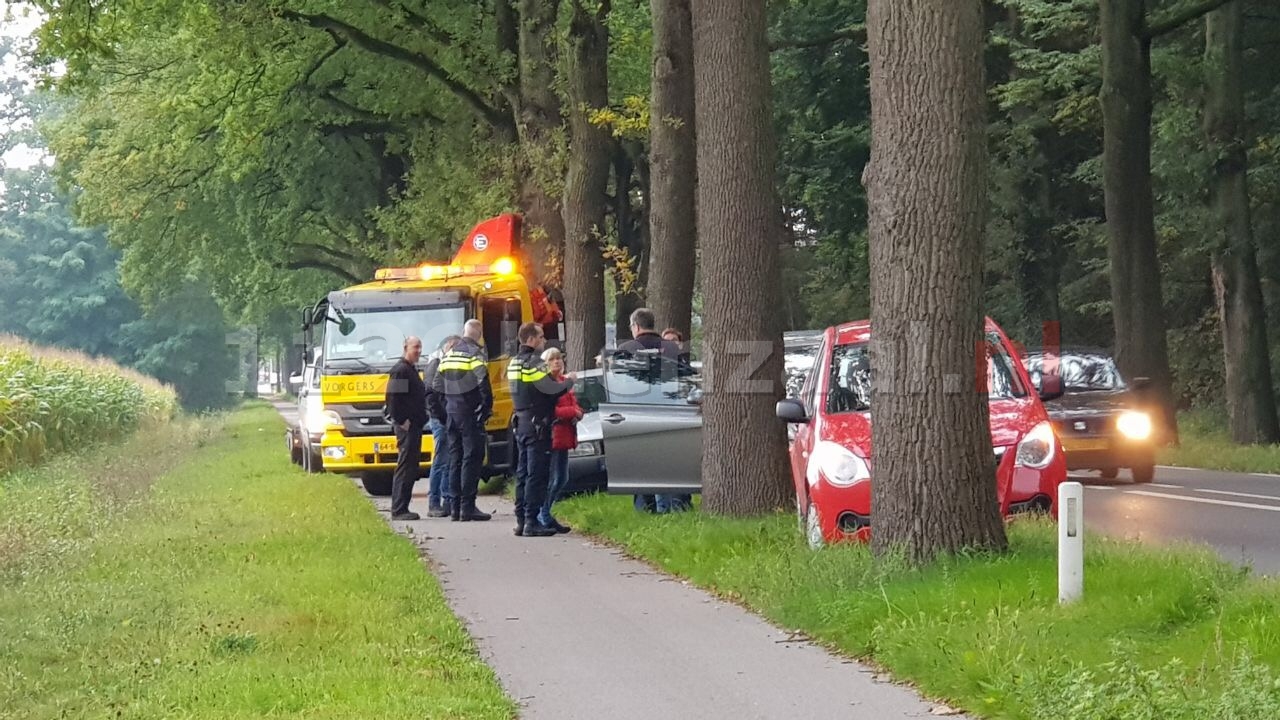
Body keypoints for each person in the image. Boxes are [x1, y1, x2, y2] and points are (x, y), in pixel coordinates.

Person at [618, 309, 687, 513]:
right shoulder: (671, 348)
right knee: (668, 462)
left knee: (641, 463)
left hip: (636, 415)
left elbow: (618, 384)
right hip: (669, 412)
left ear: (636, 326)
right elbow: (684, 377)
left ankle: (646, 509)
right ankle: (672, 506)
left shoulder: (625, 348)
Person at [511, 322, 575, 537]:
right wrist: (569, 383)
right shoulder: (535, 363)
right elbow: (550, 390)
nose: (543, 341)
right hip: (538, 424)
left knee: (522, 473)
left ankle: (521, 520)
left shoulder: (514, 362)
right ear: (531, 339)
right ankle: (532, 521)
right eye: (540, 337)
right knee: (536, 474)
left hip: (521, 421)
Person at [432, 319, 493, 522]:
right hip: (468, 414)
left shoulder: (449, 353)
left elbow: (436, 384)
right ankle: (468, 507)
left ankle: (455, 507)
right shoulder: (474, 353)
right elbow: (483, 382)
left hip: (451, 413)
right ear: (479, 334)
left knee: (455, 459)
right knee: (471, 458)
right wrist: (484, 409)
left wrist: (446, 408)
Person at [538, 347, 582, 533]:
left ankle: (545, 511)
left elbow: (575, 405)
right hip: (554, 435)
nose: (557, 362)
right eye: (552, 359)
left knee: (563, 478)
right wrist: (572, 412)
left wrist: (578, 413)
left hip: (566, 434)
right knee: (554, 478)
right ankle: (543, 513)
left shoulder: (565, 383)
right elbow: (551, 410)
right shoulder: (548, 385)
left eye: (559, 359)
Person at [385, 336, 427, 521]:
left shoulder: (410, 369)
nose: (418, 350)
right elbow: (392, 399)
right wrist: (402, 420)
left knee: (411, 467)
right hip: (407, 427)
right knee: (405, 466)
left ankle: (403, 507)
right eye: (415, 347)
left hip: (415, 425)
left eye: (420, 347)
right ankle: (399, 509)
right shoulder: (401, 370)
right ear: (405, 348)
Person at [424, 335, 459, 518]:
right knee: (440, 460)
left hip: (445, 417)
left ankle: (446, 500)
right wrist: (442, 417)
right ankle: (434, 502)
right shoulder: (436, 364)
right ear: (450, 347)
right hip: (440, 418)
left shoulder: (441, 362)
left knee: (447, 460)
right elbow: (431, 395)